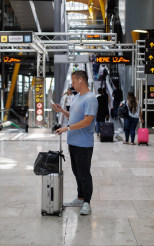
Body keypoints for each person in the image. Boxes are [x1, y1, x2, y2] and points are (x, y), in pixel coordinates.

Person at [52, 70, 98, 215]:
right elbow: (73, 116)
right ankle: (80, 198)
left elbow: (87, 120)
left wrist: (67, 128)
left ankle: (87, 203)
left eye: (73, 81)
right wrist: (62, 111)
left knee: (84, 174)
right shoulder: (77, 97)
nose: (72, 85)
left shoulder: (90, 99)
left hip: (84, 143)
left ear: (80, 81)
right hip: (73, 142)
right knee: (76, 172)